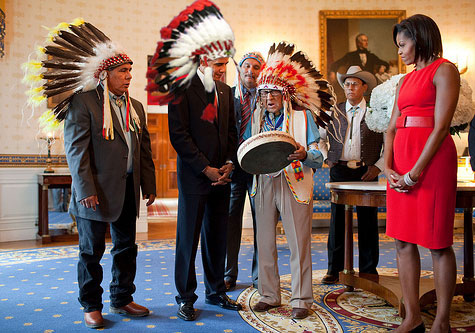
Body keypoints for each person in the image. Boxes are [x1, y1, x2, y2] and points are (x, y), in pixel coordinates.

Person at [23, 19, 156, 329]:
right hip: (93, 194)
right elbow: (76, 152)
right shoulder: (83, 104)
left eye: (130, 71)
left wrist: (148, 184)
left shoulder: (135, 106)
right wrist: (85, 190)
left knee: (126, 249)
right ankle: (91, 305)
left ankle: (122, 298)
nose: (129, 76)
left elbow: (143, 149)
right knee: (90, 253)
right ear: (105, 75)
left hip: (126, 192)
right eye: (122, 71)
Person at [246, 42, 332, 320]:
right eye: (265, 93)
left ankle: (301, 298)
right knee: (265, 242)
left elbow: (320, 154)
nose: (269, 98)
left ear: (285, 95)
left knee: (298, 242)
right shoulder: (257, 119)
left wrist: (306, 153)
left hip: (294, 183)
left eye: (274, 92)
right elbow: (247, 150)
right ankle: (269, 295)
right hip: (263, 184)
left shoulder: (304, 118)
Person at [385, 14, 460, 333]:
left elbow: (442, 126)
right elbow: (390, 128)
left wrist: (415, 172)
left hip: (431, 163)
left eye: (403, 44)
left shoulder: (445, 70)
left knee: (438, 241)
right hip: (400, 161)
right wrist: (387, 166)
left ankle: (441, 321)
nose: (399, 51)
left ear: (421, 38)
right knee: (402, 241)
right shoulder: (403, 80)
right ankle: (412, 316)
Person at [168, 55, 242, 321]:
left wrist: (229, 163)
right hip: (195, 177)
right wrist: (204, 168)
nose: (222, 69)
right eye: (217, 64)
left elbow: (231, 132)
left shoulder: (225, 90)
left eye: (224, 64)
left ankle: (216, 291)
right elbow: (179, 134)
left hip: (222, 177)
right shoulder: (181, 87)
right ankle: (186, 298)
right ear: (201, 62)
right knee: (188, 240)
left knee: (217, 238)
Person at [318, 66, 383, 285]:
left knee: (367, 221)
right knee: (337, 221)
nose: (350, 88)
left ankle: (368, 270)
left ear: (364, 87)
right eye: (346, 84)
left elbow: (388, 144)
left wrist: (378, 167)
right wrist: (328, 157)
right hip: (340, 169)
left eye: (355, 84)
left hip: (367, 171)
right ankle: (334, 270)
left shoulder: (376, 112)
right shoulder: (333, 110)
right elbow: (319, 138)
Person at [225, 51, 265, 291]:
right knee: (231, 222)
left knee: (263, 221)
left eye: (256, 67)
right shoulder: (228, 96)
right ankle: (228, 273)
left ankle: (261, 275)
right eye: (246, 66)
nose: (251, 71)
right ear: (239, 70)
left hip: (260, 167)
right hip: (234, 167)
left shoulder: (266, 97)